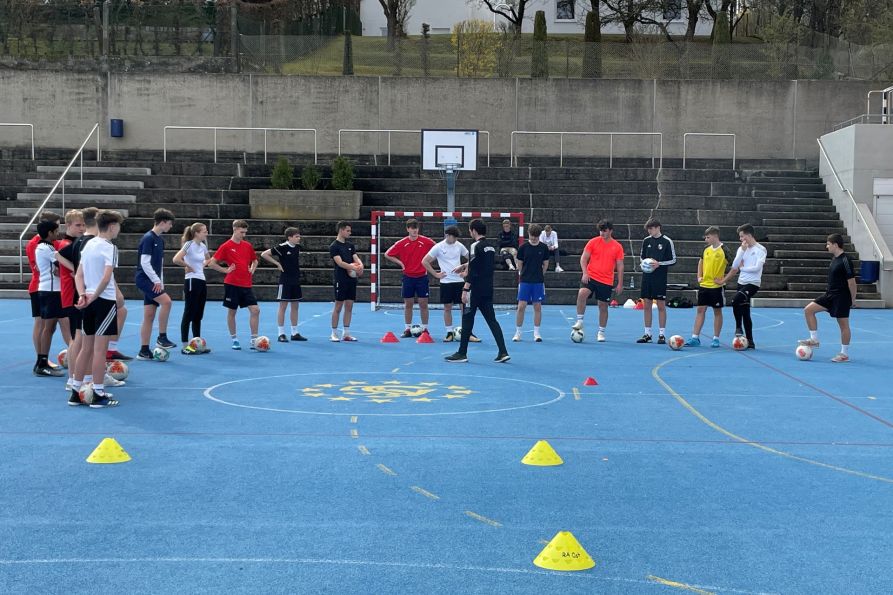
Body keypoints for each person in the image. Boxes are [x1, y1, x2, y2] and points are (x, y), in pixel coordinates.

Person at [71, 210, 125, 408]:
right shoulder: (109, 247)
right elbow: (106, 276)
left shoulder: (89, 244)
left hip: (88, 301)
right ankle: (98, 392)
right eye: (118, 226)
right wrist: (94, 295)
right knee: (99, 350)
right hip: (103, 301)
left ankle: (76, 391)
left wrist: (83, 294)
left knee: (86, 348)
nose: (119, 229)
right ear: (111, 226)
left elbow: (78, 275)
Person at [69, 207, 131, 363]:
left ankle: (76, 379)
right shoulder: (95, 243)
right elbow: (105, 276)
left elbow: (72, 266)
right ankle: (90, 380)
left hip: (83, 292)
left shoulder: (80, 242)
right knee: (87, 344)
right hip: (93, 294)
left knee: (81, 341)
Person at [444, 218, 510, 363]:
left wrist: (465, 288)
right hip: (487, 289)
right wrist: (464, 266)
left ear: (473, 231)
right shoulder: (490, 247)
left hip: (475, 290)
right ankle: (503, 351)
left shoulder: (474, 246)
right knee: (492, 320)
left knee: (467, 319)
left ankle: (462, 353)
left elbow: (473, 270)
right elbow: (482, 264)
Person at [798, 233, 857, 363]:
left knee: (843, 325)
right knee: (808, 310)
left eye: (828, 244)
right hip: (830, 295)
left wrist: (852, 299)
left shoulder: (845, 260)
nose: (827, 246)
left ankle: (844, 354)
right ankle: (814, 339)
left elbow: (852, 282)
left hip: (841, 297)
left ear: (835, 245)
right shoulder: (834, 259)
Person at [422, 225, 478, 342]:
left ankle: (468, 332)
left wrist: (466, 270)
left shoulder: (459, 246)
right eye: (454, 237)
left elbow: (472, 259)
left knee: (464, 308)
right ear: (447, 236)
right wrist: (436, 274)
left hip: (459, 281)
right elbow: (425, 261)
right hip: (446, 282)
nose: (456, 240)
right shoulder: (438, 247)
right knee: (447, 307)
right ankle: (449, 332)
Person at [571, 219, 624, 342]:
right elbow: (583, 259)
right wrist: (585, 272)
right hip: (591, 276)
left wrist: (620, 283)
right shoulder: (593, 242)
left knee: (603, 306)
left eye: (604, 231)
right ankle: (579, 321)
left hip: (606, 280)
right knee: (582, 293)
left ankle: (601, 331)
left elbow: (620, 265)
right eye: (600, 231)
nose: (602, 233)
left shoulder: (617, 246)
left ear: (610, 231)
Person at [210, 220, 259, 350]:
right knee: (232, 311)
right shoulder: (226, 246)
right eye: (242, 232)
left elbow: (255, 260)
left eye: (245, 232)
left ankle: (254, 339)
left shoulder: (247, 245)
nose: (243, 235)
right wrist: (225, 270)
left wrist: (252, 269)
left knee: (255, 310)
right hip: (232, 284)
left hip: (246, 284)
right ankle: (234, 339)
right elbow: (212, 263)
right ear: (235, 229)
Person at [135, 208, 177, 360]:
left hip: (153, 279)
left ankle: (144, 350)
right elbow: (145, 263)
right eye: (169, 224)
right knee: (167, 302)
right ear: (163, 222)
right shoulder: (149, 238)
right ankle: (162, 336)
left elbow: (160, 264)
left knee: (149, 315)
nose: (170, 227)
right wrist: (156, 281)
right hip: (145, 279)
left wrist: (161, 282)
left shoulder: (160, 240)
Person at [717, 223, 766, 349]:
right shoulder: (742, 249)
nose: (741, 239)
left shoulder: (761, 249)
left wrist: (743, 268)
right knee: (745, 311)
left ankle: (738, 327)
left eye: (742, 236)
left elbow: (756, 268)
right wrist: (742, 253)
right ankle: (750, 341)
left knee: (735, 300)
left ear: (749, 235)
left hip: (752, 284)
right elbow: (735, 265)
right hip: (742, 282)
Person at [385, 219, 436, 338]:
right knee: (408, 304)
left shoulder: (426, 241)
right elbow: (387, 254)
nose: (414, 230)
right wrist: (400, 263)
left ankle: (425, 329)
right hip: (408, 277)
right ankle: (407, 328)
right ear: (407, 229)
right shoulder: (402, 243)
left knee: (424, 303)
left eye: (416, 228)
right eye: (412, 228)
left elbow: (437, 249)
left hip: (422, 277)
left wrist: (428, 262)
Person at [27, 211, 63, 372]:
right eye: (57, 225)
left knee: (49, 325)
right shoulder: (37, 244)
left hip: (49, 286)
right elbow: (41, 267)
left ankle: (43, 358)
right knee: (41, 324)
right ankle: (41, 358)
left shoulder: (50, 244)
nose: (59, 229)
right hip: (41, 286)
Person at [686, 226, 733, 348]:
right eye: (705, 237)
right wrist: (699, 276)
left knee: (717, 311)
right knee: (700, 310)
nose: (706, 239)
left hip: (716, 287)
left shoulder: (725, 250)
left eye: (708, 237)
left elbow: (735, 267)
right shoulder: (706, 249)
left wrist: (723, 280)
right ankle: (695, 337)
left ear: (715, 236)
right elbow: (701, 262)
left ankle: (716, 338)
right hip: (704, 285)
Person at [55, 210, 87, 390]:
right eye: (78, 225)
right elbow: (57, 256)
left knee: (78, 336)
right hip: (71, 294)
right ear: (68, 226)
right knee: (76, 337)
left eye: (83, 225)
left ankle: (76, 376)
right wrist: (74, 269)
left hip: (75, 292)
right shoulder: (67, 243)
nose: (81, 228)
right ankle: (73, 378)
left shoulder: (76, 242)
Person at [261, 226, 308, 343]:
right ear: (289, 237)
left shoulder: (297, 247)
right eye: (297, 236)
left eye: (299, 236)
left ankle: (294, 332)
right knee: (283, 306)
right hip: (285, 280)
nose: (299, 238)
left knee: (295, 306)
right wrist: (277, 263)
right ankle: (281, 333)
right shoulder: (282, 247)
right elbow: (264, 254)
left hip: (295, 279)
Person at [172, 222, 213, 354]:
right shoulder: (189, 244)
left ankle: (197, 342)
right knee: (189, 312)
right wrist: (187, 266)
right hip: (191, 280)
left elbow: (208, 259)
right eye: (204, 231)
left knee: (198, 314)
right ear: (196, 233)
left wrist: (203, 264)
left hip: (201, 280)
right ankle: (185, 345)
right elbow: (176, 259)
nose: (206, 233)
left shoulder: (203, 246)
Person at [636, 219, 677, 344]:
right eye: (648, 229)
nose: (650, 231)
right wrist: (645, 263)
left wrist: (659, 264)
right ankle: (647, 334)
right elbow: (642, 257)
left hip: (660, 277)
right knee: (646, 304)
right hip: (647, 277)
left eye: (651, 228)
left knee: (660, 305)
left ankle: (662, 334)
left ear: (658, 227)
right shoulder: (646, 240)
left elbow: (673, 260)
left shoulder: (666, 241)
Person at [513, 223, 549, 342]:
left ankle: (537, 333)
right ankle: (518, 332)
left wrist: (540, 275)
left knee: (537, 306)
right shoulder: (523, 247)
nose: (533, 238)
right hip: (525, 281)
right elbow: (519, 263)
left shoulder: (543, 247)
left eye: (536, 236)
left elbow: (546, 264)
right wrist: (522, 274)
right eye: (532, 235)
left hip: (538, 281)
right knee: (521, 306)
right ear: (528, 234)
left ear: (539, 235)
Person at [330, 221, 363, 342]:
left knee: (349, 306)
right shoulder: (334, 246)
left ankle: (346, 333)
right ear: (341, 230)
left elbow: (356, 258)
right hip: (340, 279)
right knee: (338, 306)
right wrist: (353, 267)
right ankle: (334, 333)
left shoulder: (350, 245)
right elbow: (339, 263)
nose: (350, 233)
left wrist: (360, 266)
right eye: (348, 230)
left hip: (351, 280)